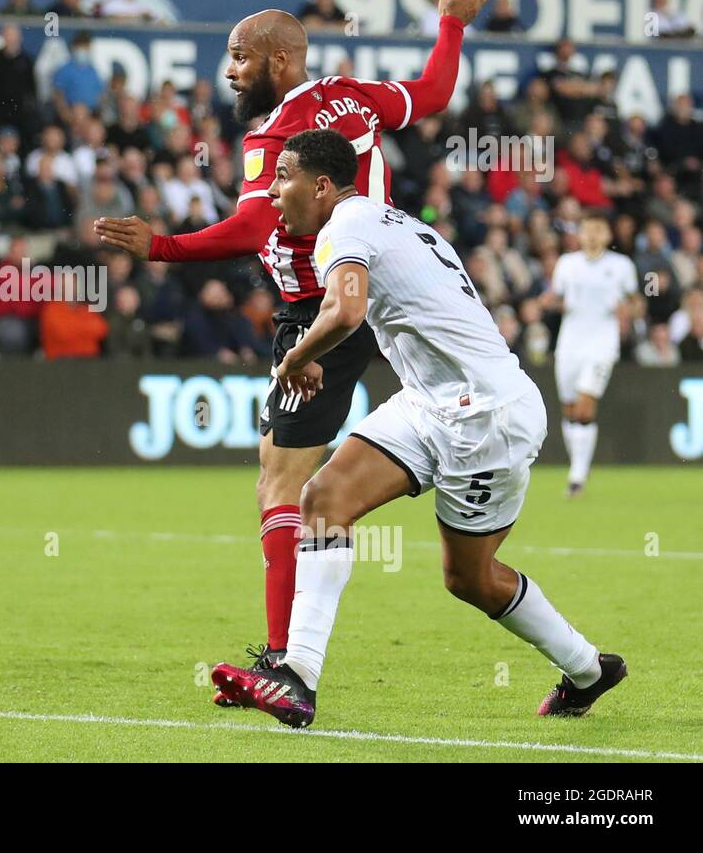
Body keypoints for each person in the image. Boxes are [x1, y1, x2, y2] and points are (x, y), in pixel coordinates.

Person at [96, 0, 495, 697]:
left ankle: (284, 659)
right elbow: (434, 97)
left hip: (321, 308)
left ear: (280, 60)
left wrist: (162, 248)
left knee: (279, 483)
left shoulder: (278, 132)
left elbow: (254, 224)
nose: (230, 70)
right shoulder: (351, 95)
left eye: (241, 56)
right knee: (313, 475)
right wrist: (451, 25)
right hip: (384, 295)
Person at [211, 128, 625, 727]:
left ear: (321, 185)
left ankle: (589, 669)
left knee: (470, 579)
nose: (273, 193)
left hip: (487, 417)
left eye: (283, 178)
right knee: (322, 498)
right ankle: (296, 677)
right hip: (430, 403)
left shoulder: (344, 229)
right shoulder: (395, 222)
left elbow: (347, 309)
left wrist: (296, 357)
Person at [540, 213, 640, 497]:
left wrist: (629, 312)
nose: (593, 235)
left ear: (608, 235)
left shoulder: (621, 266)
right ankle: (579, 465)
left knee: (585, 407)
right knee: (570, 409)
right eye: (588, 230)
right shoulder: (567, 264)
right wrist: (547, 302)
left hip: (602, 344)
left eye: (599, 230)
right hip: (570, 343)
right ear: (580, 235)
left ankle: (577, 476)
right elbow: (557, 298)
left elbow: (636, 304)